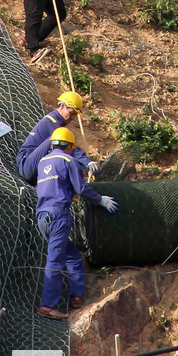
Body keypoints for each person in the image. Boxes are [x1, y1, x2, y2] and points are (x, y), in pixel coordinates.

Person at [35, 127, 118, 319]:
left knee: (71, 254)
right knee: (54, 260)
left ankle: (76, 295)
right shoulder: (68, 160)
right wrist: (100, 200)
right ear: (70, 146)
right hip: (58, 215)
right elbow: (81, 187)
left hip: (42, 216)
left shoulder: (43, 162)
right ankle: (47, 306)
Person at [16, 91, 91, 183]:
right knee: (61, 141)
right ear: (62, 106)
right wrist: (87, 162)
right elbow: (69, 146)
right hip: (27, 165)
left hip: (31, 168)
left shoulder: (56, 124)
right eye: (71, 113)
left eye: (75, 115)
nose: (73, 118)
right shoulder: (52, 122)